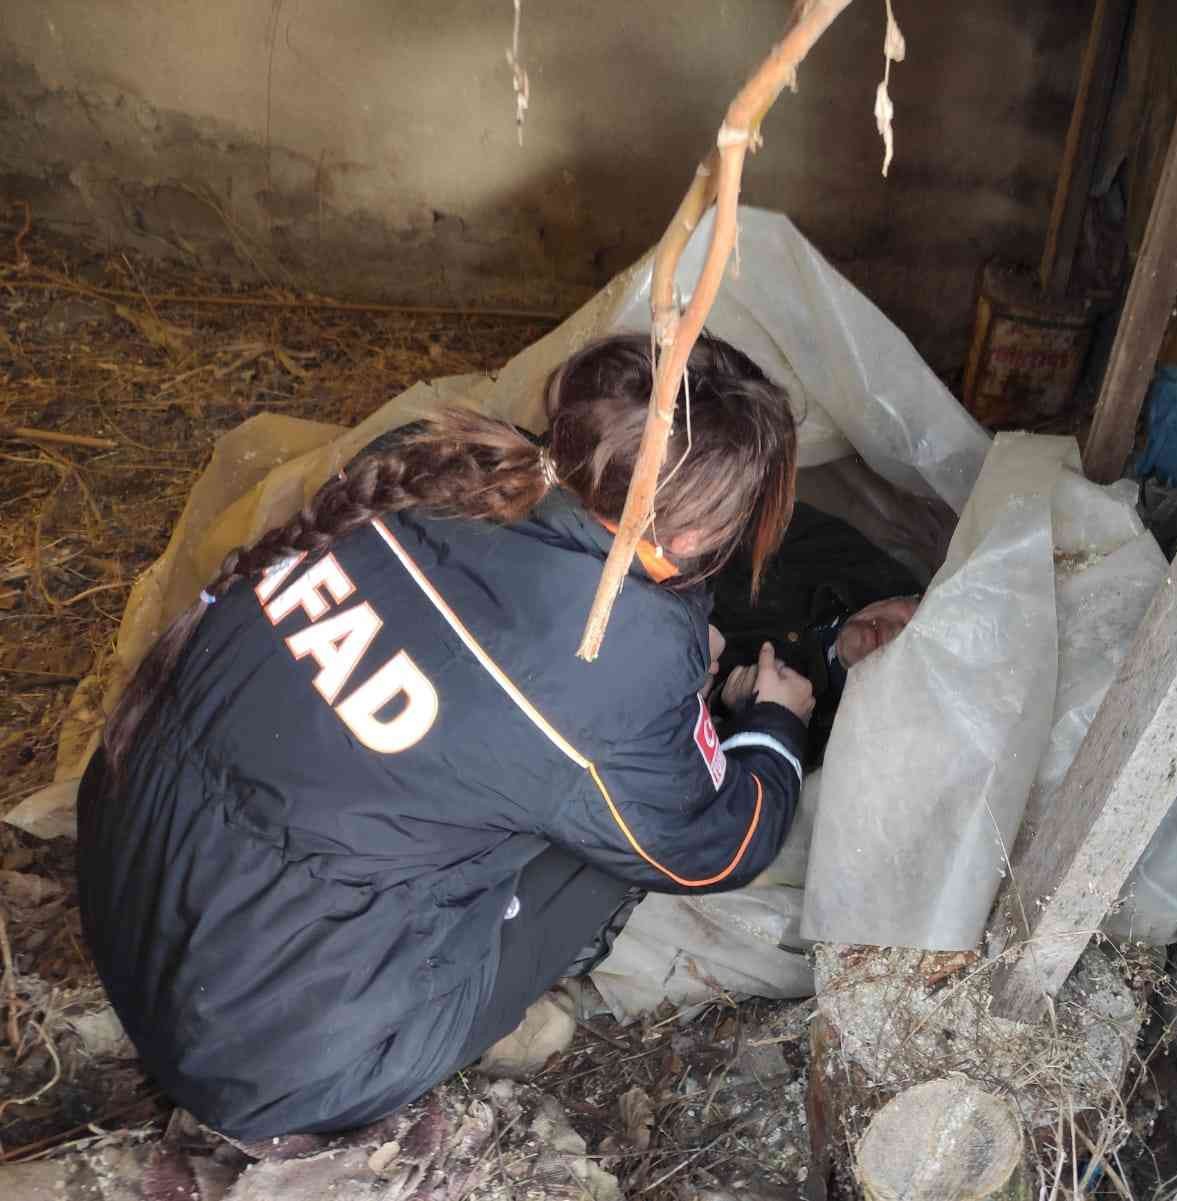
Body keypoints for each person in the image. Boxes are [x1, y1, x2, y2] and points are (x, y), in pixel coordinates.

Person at [75, 333, 814, 1139]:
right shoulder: (616, 652)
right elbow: (712, 844)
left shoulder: (431, 459)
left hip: (126, 889)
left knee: (533, 774)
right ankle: (500, 1009)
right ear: (702, 533)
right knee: (617, 827)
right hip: (270, 1058)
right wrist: (774, 723)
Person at [709, 501, 923, 760]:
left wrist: (726, 701)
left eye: (911, 657)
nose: (894, 636)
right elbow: (754, 513)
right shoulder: (849, 559)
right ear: (910, 595)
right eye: (914, 619)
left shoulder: (827, 742)